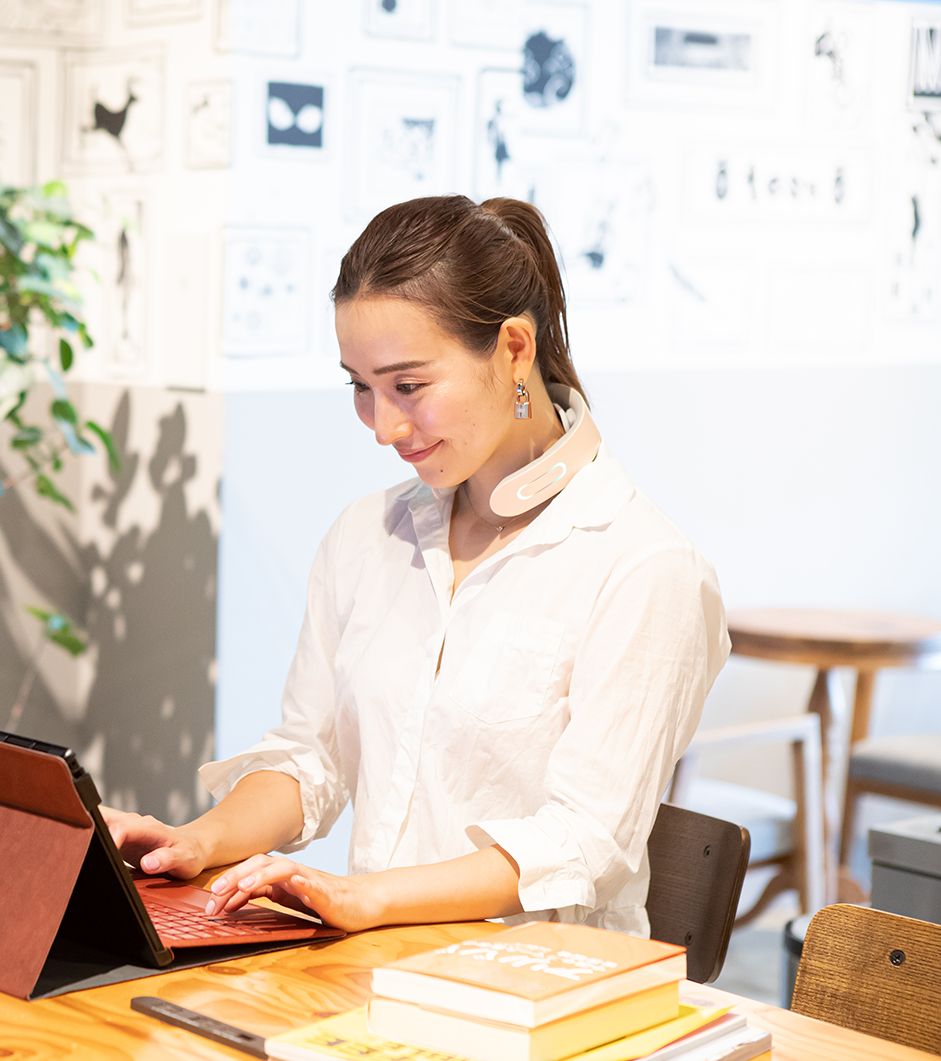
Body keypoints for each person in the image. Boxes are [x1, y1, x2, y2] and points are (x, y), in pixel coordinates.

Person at [104, 195, 728, 937]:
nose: (384, 427)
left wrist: (365, 898)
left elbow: (583, 841)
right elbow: (312, 756)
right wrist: (198, 841)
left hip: (542, 997)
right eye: (360, 389)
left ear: (515, 350)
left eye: (408, 386)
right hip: (371, 966)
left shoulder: (643, 567)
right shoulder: (367, 534)